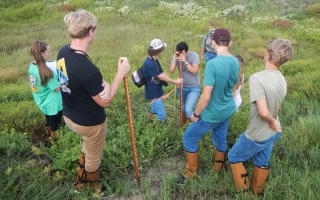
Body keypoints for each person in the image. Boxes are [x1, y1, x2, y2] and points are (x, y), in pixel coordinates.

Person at [56, 9, 130, 195]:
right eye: (94, 30)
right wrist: (120, 74)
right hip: (90, 123)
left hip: (69, 115)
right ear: (90, 32)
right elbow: (105, 102)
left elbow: (63, 81)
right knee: (94, 156)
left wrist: (103, 83)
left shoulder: (63, 51)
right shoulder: (89, 70)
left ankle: (81, 179)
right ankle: (91, 189)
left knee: (87, 148)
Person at [228, 39, 293, 196]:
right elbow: (276, 107)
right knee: (261, 161)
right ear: (284, 61)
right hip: (274, 132)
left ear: (266, 53)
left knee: (234, 156)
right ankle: (257, 193)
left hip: (258, 133)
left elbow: (264, 112)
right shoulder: (282, 79)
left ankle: (245, 195)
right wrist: (274, 121)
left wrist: (270, 121)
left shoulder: (257, 78)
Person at [177, 28, 240, 184]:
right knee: (220, 138)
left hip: (212, 113)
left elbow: (205, 97)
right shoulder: (235, 61)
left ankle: (190, 173)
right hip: (227, 109)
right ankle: (217, 169)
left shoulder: (212, 64)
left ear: (213, 42)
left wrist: (196, 115)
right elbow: (235, 85)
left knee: (189, 137)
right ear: (230, 42)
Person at [28, 40, 63, 146]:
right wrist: (64, 80)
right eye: (49, 51)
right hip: (53, 103)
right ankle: (55, 144)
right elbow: (56, 89)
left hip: (41, 100)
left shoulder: (31, 66)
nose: (50, 53)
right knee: (55, 125)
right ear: (42, 54)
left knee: (48, 119)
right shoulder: (46, 72)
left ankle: (47, 136)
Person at [142, 39, 183, 122]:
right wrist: (176, 81)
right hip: (153, 94)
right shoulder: (149, 63)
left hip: (156, 91)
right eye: (162, 49)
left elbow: (162, 73)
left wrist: (174, 81)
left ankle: (151, 126)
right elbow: (162, 77)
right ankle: (154, 130)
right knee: (161, 116)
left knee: (154, 112)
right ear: (159, 50)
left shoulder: (155, 60)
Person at [169, 42, 200, 125]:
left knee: (188, 109)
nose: (181, 55)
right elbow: (171, 72)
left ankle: (192, 127)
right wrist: (174, 59)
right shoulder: (176, 57)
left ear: (187, 52)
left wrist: (185, 61)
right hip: (182, 87)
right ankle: (183, 126)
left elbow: (194, 71)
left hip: (194, 87)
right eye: (179, 52)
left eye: (183, 53)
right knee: (182, 108)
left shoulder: (194, 56)